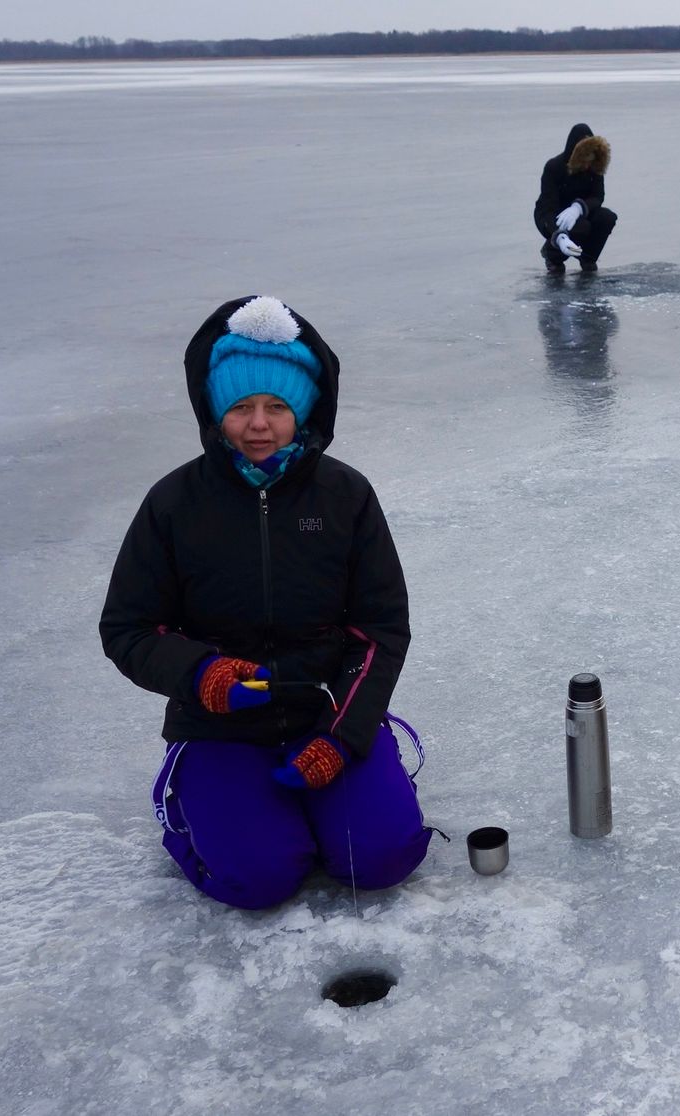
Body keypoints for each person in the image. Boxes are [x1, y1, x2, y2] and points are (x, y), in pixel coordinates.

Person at [100, 295, 431, 909]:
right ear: (214, 409)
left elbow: (381, 628)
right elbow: (129, 627)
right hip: (220, 727)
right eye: (241, 406)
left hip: (325, 713)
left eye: (277, 406)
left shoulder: (345, 496)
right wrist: (200, 672)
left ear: (303, 408)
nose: (259, 424)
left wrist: (342, 737)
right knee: (260, 879)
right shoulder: (174, 505)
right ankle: (200, 807)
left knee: (382, 859)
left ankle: (338, 793)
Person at [533, 123, 616, 274]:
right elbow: (548, 207)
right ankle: (552, 256)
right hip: (551, 215)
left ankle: (588, 257)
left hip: (580, 212)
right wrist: (559, 236)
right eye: (584, 161)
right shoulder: (554, 167)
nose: (587, 166)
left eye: (590, 161)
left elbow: (598, 196)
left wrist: (578, 207)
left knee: (607, 218)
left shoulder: (595, 168)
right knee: (581, 227)